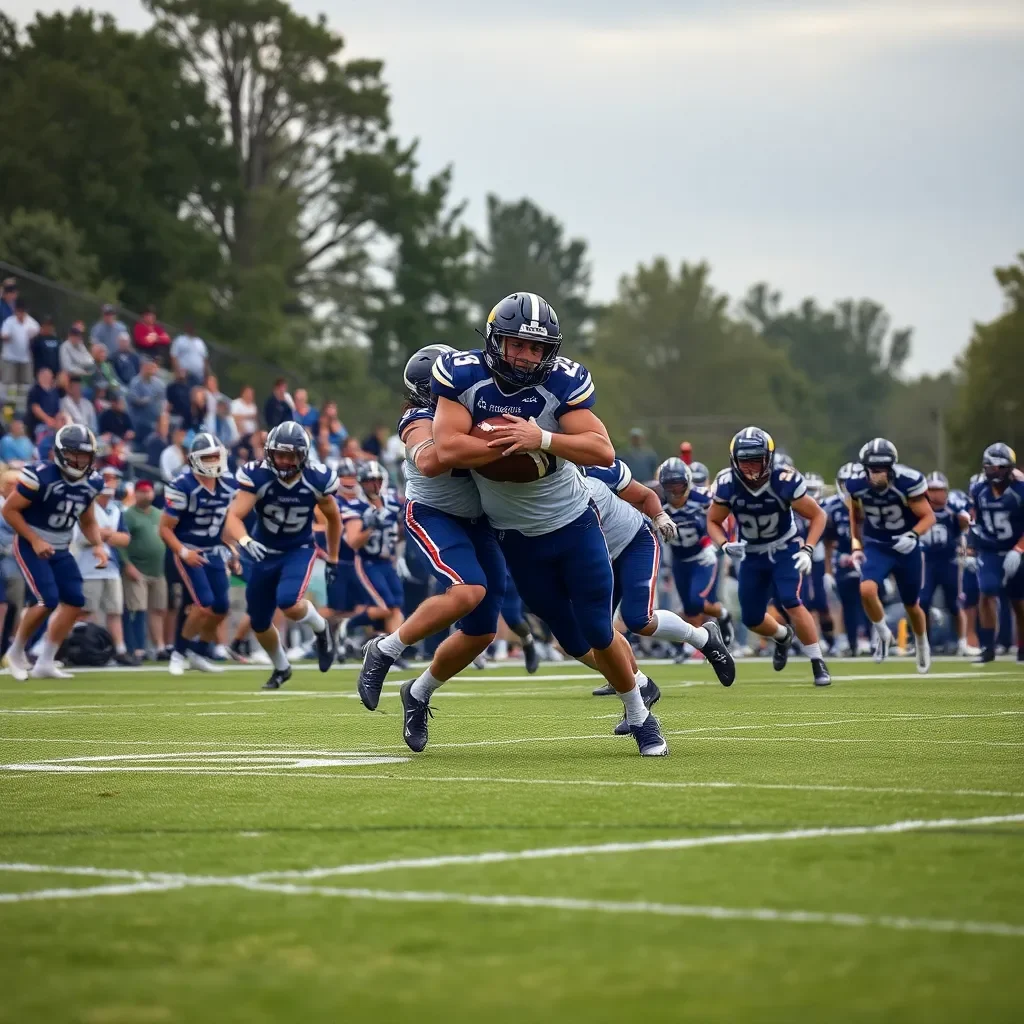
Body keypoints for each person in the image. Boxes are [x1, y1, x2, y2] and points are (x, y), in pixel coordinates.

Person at [430, 291, 669, 755]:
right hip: (515, 536)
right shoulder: (462, 375)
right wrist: (512, 445)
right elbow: (447, 451)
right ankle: (636, 701)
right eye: (517, 344)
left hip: (574, 523)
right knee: (566, 631)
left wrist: (540, 436)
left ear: (550, 352)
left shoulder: (563, 383)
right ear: (495, 340)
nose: (525, 356)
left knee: (600, 628)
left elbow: (603, 451)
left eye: (536, 348)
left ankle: (641, 716)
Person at [356, 344, 508, 735]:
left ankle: (419, 693)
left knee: (482, 631)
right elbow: (427, 458)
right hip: (433, 514)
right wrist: (484, 440)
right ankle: (385, 648)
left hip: (480, 521)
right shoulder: (418, 416)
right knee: (468, 591)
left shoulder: (473, 406)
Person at [582, 458, 735, 735]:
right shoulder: (539, 489)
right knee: (596, 632)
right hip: (599, 556)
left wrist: (660, 516)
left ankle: (702, 639)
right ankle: (640, 686)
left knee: (638, 619)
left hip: (633, 543)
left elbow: (645, 495)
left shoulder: (597, 470)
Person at [708, 427, 832, 686]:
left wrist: (808, 549)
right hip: (752, 553)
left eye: (756, 460)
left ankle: (818, 662)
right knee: (752, 617)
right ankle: (783, 636)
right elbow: (713, 521)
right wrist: (723, 544)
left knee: (790, 600)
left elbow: (818, 515)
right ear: (734, 461)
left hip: (784, 548)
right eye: (745, 461)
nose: (751, 467)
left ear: (768, 459)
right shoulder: (728, 484)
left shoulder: (784, 481)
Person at [223, 421, 341, 688]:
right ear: (269, 453)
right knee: (259, 621)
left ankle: (321, 628)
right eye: (280, 454)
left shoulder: (316, 479)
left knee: (288, 601)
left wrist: (333, 557)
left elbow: (334, 520)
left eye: (292, 455)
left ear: (304, 455)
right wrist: (243, 539)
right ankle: (281, 668)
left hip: (297, 549)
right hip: (262, 551)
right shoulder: (258, 476)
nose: (285, 461)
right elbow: (233, 516)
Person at [1, 425, 107, 680]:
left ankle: (46, 660)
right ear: (59, 453)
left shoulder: (92, 481)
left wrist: (99, 545)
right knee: (46, 600)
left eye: (85, 455)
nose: (81, 460)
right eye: (75, 454)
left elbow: (88, 520)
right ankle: (15, 652)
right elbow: (9, 511)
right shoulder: (39, 475)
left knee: (74, 601)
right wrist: (35, 540)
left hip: (60, 546)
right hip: (31, 543)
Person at [846, 438, 935, 671]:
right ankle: (883, 633)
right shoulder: (856, 485)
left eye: (882, 469)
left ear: (891, 467)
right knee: (866, 589)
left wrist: (913, 535)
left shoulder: (908, 482)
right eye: (873, 470)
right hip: (878, 545)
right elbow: (855, 516)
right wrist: (857, 546)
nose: (878, 475)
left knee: (912, 605)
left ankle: (922, 643)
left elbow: (929, 516)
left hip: (906, 547)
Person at [159, 433, 236, 675]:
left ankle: (199, 652)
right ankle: (179, 652)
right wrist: (183, 552)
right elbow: (164, 528)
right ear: (195, 460)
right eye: (208, 457)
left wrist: (232, 550)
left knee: (221, 607)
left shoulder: (229, 484)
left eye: (216, 456)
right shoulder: (182, 485)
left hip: (214, 550)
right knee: (204, 604)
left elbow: (228, 523)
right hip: (188, 548)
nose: (213, 461)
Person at [655, 457, 735, 649]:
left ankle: (720, 620)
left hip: (702, 556)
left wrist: (716, 545)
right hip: (678, 559)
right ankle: (699, 642)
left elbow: (727, 518)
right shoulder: (657, 502)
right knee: (689, 607)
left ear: (688, 483)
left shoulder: (703, 497)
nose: (674, 491)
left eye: (678, 485)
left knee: (696, 601)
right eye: (669, 486)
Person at [967, 443, 1024, 663]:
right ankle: (988, 647)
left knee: (1019, 602)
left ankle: (1021, 648)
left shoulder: (1020, 490)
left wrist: (1018, 550)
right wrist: (971, 550)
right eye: (991, 467)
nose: (995, 472)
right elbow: (974, 521)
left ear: (1009, 468)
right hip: (990, 548)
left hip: (1016, 548)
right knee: (986, 593)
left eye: (1000, 467)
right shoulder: (979, 489)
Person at [343, 460, 405, 656]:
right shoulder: (356, 507)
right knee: (386, 607)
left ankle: (391, 652)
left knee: (396, 606)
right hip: (368, 562)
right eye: (369, 481)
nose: (374, 485)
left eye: (377, 480)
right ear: (361, 483)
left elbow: (400, 531)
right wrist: (370, 526)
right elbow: (353, 542)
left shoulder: (393, 503)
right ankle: (348, 624)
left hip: (388, 561)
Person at [73, 467, 134, 664]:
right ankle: (82, 647)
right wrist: (106, 535)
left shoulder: (116, 509)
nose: (110, 483)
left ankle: (119, 649)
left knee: (115, 610)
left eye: (113, 479)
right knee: (86, 610)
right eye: (107, 479)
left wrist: (104, 535)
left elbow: (125, 539)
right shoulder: (87, 506)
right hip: (88, 566)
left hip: (111, 566)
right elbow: (84, 535)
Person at [920, 471, 975, 655]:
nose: (936, 495)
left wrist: (965, 545)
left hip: (948, 561)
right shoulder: (918, 508)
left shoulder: (953, 507)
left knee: (954, 603)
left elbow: (966, 523)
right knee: (923, 602)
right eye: (932, 490)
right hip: (926, 562)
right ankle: (923, 643)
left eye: (940, 490)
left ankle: (962, 642)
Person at [823, 462, 869, 656]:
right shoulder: (831, 507)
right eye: (845, 483)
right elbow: (827, 541)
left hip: (868, 558)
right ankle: (851, 642)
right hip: (843, 560)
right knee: (848, 601)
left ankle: (869, 638)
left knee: (869, 597)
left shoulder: (870, 504)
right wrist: (828, 571)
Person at [121, 478, 167, 662]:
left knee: (158, 610)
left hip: (158, 570)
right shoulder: (128, 515)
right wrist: (127, 564)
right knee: (137, 609)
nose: (147, 494)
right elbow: (121, 543)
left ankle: (160, 647)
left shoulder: (159, 514)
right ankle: (137, 648)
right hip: (137, 569)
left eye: (149, 491)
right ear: (136, 494)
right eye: (143, 491)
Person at [1, 298, 39, 400]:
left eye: (22, 312)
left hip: (25, 359)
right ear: (15, 311)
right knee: (10, 386)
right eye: (18, 311)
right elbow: (3, 334)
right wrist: (7, 337)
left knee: (25, 386)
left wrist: (32, 336)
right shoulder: (9, 322)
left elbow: (36, 331)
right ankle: (8, 411)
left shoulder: (31, 322)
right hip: (10, 359)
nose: (20, 314)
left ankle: (20, 411)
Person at [127, 358, 167, 440]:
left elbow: (164, 401)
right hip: (140, 421)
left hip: (156, 422)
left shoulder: (159, 384)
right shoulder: (135, 382)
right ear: (142, 368)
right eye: (148, 367)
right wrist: (149, 400)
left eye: (152, 367)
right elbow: (134, 400)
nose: (150, 370)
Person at [25, 367, 64, 440]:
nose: (49, 378)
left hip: (53, 424)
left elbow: (58, 410)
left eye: (50, 376)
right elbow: (35, 408)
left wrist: (57, 421)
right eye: (46, 376)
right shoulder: (35, 390)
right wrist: (48, 420)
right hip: (38, 424)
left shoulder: (54, 391)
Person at [30, 313, 61, 379]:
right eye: (46, 325)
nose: (48, 328)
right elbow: (33, 352)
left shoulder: (57, 340)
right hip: (41, 373)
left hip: (55, 373)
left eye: (50, 326)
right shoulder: (37, 340)